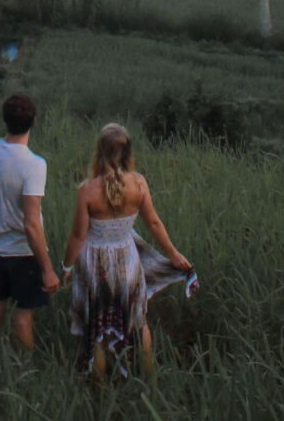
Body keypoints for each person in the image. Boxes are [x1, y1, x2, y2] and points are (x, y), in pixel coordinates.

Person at [62, 123, 197, 378]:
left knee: (97, 329)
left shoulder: (87, 191)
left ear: (99, 152)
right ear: (128, 153)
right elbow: (154, 223)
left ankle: (100, 390)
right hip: (127, 261)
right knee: (139, 323)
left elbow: (78, 235)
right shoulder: (139, 184)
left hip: (95, 264)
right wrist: (174, 255)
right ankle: (149, 377)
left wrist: (66, 267)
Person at [0, 93, 60, 349]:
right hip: (23, 254)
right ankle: (24, 372)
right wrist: (47, 269)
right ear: (33, 122)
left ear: (5, 119)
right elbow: (31, 224)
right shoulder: (34, 164)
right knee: (23, 317)